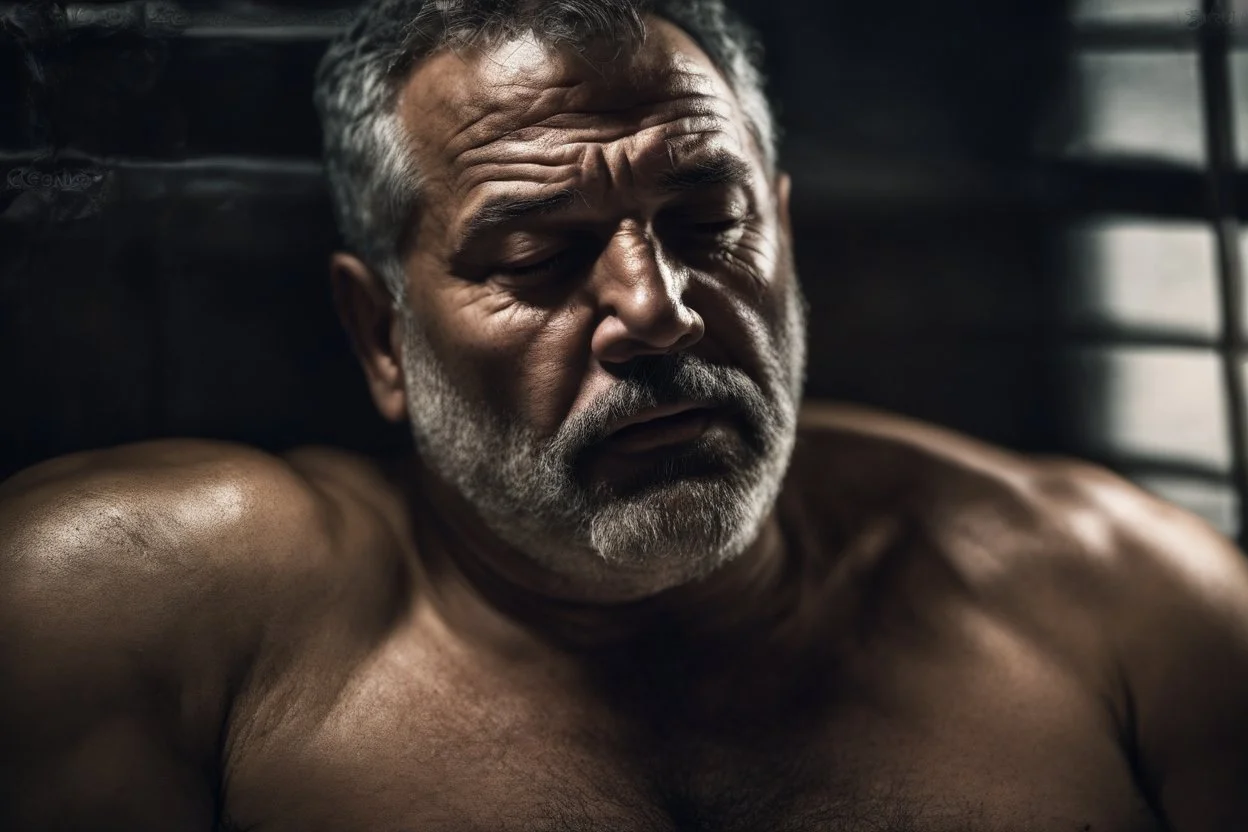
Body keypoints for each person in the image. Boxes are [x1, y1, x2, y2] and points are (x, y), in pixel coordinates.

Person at [2, 0, 1246, 829]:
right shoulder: (133, 618)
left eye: (710, 224)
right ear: (381, 334)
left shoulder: (1129, 613)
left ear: (787, 243)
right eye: (538, 252)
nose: (657, 313)